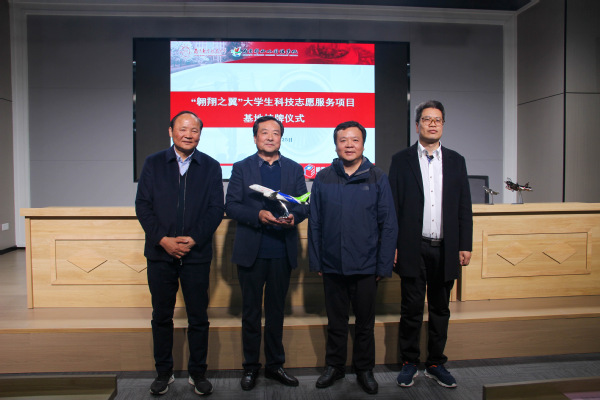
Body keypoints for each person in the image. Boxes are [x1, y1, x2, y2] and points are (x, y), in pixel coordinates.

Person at [135, 111, 224, 396]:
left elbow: (216, 209)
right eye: (183, 129)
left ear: (200, 134)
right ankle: (164, 373)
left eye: (194, 130)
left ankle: (198, 373)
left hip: (196, 255)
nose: (188, 134)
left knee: (198, 317)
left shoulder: (210, 166)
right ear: (171, 131)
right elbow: (143, 206)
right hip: (160, 254)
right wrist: (163, 240)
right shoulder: (153, 163)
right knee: (162, 315)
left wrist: (194, 239)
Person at [308, 121, 397, 395]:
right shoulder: (323, 177)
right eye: (343, 140)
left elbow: (388, 224)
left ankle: (364, 369)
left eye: (355, 140)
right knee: (335, 322)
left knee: (364, 324)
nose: (349, 145)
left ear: (363, 144)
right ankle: (334, 366)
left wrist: (383, 265)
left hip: (366, 265)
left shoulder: (377, 177)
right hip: (332, 264)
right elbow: (315, 223)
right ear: (336, 145)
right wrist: (317, 261)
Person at [388, 100, 473, 389]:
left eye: (437, 119)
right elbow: (393, 207)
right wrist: (393, 245)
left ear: (443, 125)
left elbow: (464, 206)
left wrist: (465, 244)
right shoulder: (401, 160)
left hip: (446, 248)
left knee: (440, 309)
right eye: (427, 119)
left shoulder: (456, 160)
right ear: (417, 125)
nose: (432, 124)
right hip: (412, 247)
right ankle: (409, 362)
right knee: (411, 308)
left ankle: (436, 363)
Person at [225, 115, 308, 391]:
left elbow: (303, 204)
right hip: (252, 251)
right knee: (250, 312)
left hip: (282, 251)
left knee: (276, 312)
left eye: (275, 133)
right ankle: (250, 367)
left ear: (281, 138)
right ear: (255, 137)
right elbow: (231, 205)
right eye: (264, 132)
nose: (270, 137)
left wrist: (295, 217)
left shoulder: (294, 169)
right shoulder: (241, 168)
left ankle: (275, 365)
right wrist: (257, 215)